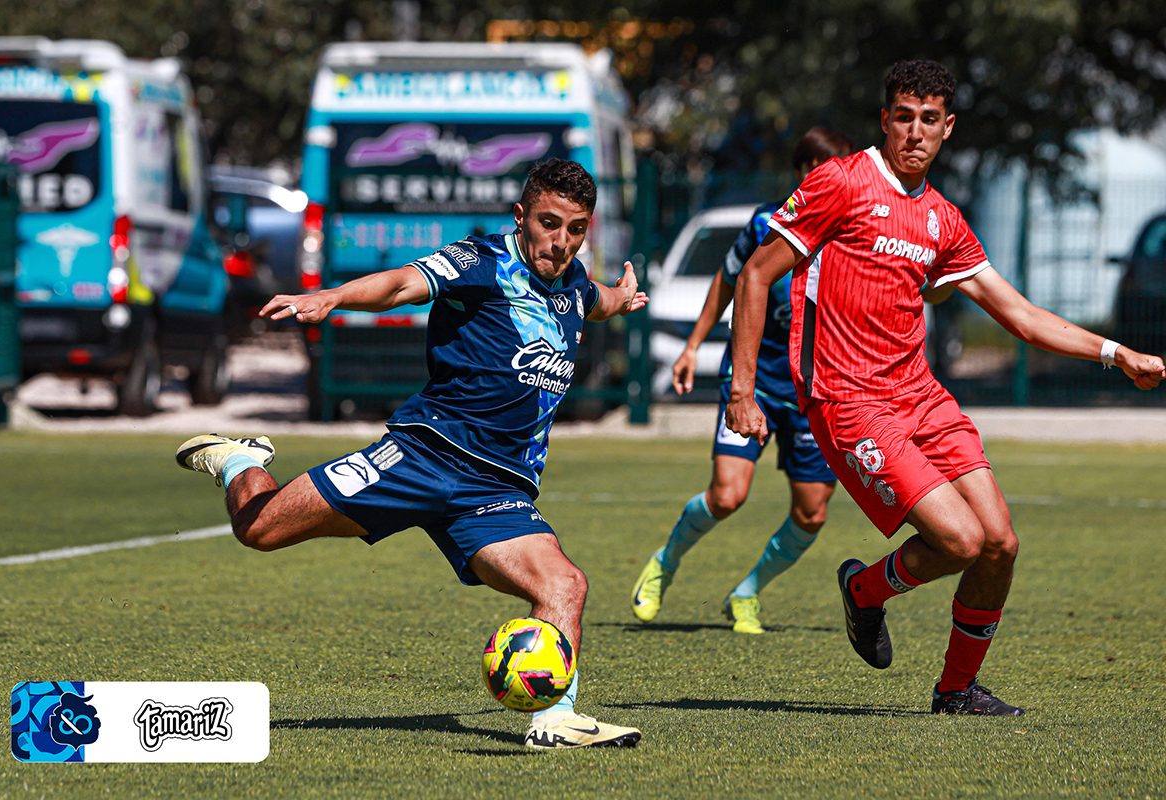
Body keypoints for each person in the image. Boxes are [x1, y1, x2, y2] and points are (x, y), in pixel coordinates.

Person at [725, 61, 1165, 715]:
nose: (914, 131)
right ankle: (868, 591)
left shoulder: (942, 219)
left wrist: (1115, 351)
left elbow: (1019, 316)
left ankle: (955, 689)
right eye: (903, 116)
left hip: (921, 396)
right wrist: (741, 392)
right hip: (849, 399)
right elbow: (756, 276)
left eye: (929, 119)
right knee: (958, 540)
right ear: (885, 120)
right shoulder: (841, 182)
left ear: (947, 127)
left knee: (1000, 544)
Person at [175, 159, 647, 749]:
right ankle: (240, 461)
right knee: (260, 529)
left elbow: (593, 300)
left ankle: (554, 721)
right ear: (521, 216)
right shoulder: (482, 262)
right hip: (423, 456)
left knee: (565, 585)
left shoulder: (573, 283)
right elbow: (400, 284)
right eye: (549, 224)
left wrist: (620, 297)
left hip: (495, 492)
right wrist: (332, 297)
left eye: (576, 229)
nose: (560, 241)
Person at [630, 127, 853, 634]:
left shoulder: (852, 233)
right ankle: (665, 561)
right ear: (801, 173)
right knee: (728, 494)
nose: (832, 179)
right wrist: (691, 347)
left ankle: (746, 592)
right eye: (821, 169)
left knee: (813, 513)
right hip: (753, 378)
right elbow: (729, 283)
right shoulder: (766, 223)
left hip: (816, 391)